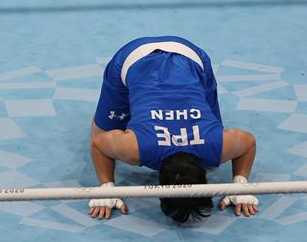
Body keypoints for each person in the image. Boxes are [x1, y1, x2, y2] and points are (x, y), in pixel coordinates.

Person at [87, 36, 259, 223]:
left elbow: (248, 143)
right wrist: (106, 187)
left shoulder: (216, 146)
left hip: (189, 56)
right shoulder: (136, 149)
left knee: (214, 126)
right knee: (99, 132)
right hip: (136, 58)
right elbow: (98, 143)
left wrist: (240, 185)